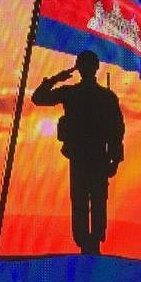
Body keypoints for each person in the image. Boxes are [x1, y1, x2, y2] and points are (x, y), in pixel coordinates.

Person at [31, 49, 124, 254]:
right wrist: (115, 159)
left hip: (87, 156)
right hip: (89, 156)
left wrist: (56, 79)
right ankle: (90, 243)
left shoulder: (75, 93)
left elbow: (116, 130)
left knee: (87, 201)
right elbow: (117, 131)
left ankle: (90, 243)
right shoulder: (103, 96)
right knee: (92, 201)